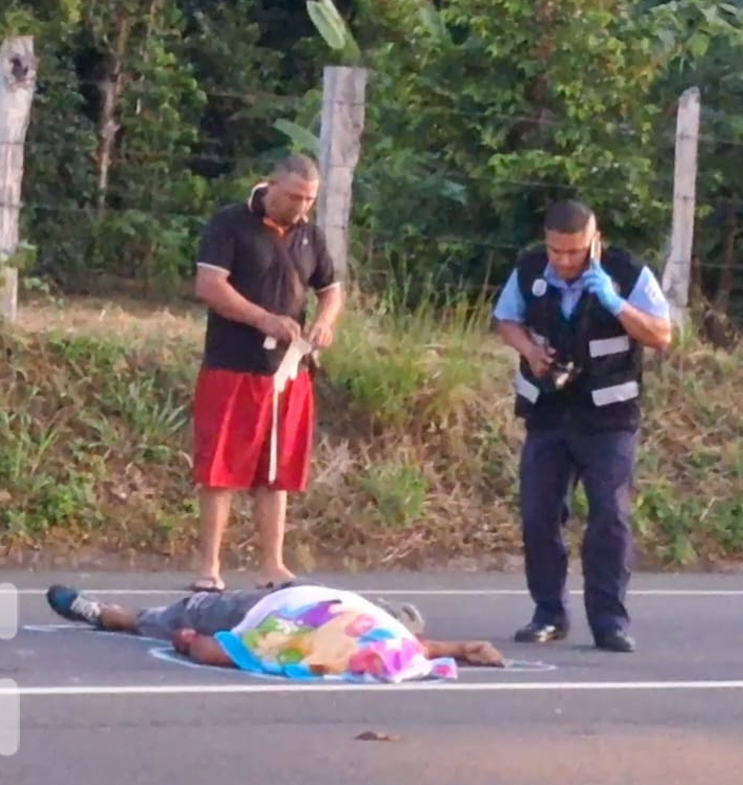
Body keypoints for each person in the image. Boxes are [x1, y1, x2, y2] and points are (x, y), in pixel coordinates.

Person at [492, 200, 672, 653]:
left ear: (595, 241)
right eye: (557, 251)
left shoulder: (628, 272)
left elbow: (661, 335)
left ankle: (609, 620)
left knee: (609, 516)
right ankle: (548, 613)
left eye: (574, 252)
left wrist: (615, 303)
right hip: (548, 414)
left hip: (608, 419)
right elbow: (505, 319)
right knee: (539, 514)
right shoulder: (530, 268)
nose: (564, 261)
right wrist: (531, 352)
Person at [190, 154, 344, 594]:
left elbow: (331, 290)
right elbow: (210, 286)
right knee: (220, 469)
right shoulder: (229, 224)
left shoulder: (311, 234)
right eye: (294, 197)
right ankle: (209, 566)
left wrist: (324, 322)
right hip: (232, 365)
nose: (301, 207)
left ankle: (273, 564)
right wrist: (263, 319)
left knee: (276, 469)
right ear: (272, 186)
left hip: (288, 372)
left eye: (309, 199)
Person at [45, 582, 505, 680]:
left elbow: (419, 647)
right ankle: (110, 614)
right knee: (179, 617)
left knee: (178, 619)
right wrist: (189, 644)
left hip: (287, 599)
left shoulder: (384, 635)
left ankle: (107, 613)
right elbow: (212, 651)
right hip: (263, 607)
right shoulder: (328, 648)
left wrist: (463, 647)